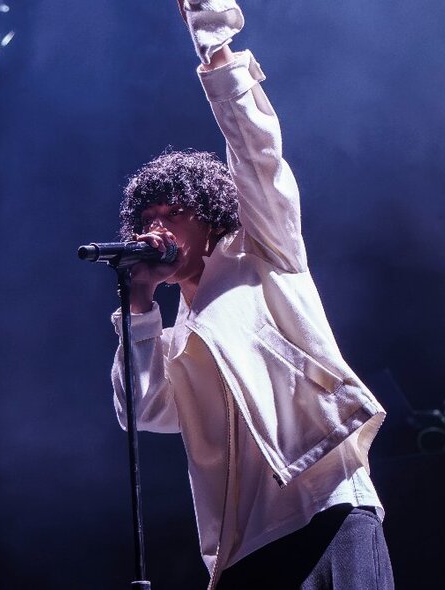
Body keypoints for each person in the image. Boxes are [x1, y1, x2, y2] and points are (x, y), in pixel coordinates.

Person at [109, 2, 394, 589]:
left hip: (327, 503)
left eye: (174, 212)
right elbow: (143, 411)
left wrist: (216, 51)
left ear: (210, 217)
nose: (157, 227)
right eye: (147, 217)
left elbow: (258, 156)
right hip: (243, 548)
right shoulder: (178, 334)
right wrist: (138, 306)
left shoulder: (261, 252)